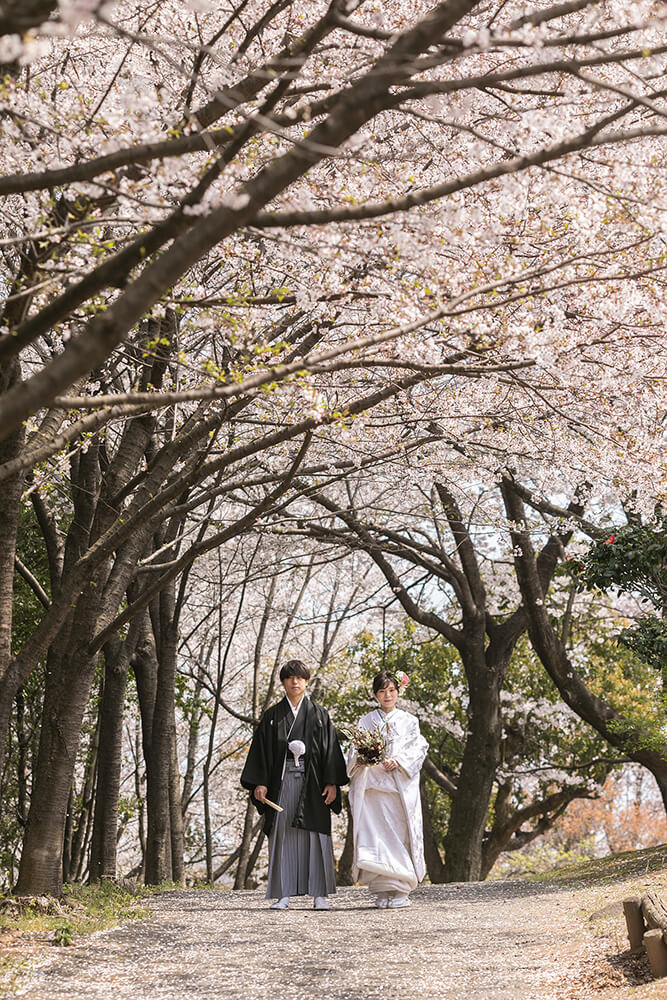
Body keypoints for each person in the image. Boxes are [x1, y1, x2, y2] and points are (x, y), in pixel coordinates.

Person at [240, 659, 348, 910]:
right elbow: (262, 752)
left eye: (300, 677)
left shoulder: (319, 714)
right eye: (290, 678)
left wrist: (332, 783)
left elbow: (331, 750)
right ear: (283, 682)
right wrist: (260, 783)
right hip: (282, 781)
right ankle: (283, 893)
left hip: (315, 782)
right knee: (282, 833)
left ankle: (319, 894)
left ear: (307, 681)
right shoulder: (272, 716)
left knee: (317, 835)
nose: (295, 682)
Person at [348, 670, 428, 909]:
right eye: (382, 691)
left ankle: (401, 889)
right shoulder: (366, 720)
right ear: (375, 694)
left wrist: (400, 760)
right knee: (377, 837)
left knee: (398, 836)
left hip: (398, 787)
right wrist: (365, 758)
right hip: (373, 787)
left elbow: (418, 748)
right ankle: (382, 890)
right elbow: (354, 750)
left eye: (391, 690)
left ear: (398, 692)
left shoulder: (409, 720)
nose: (387, 695)